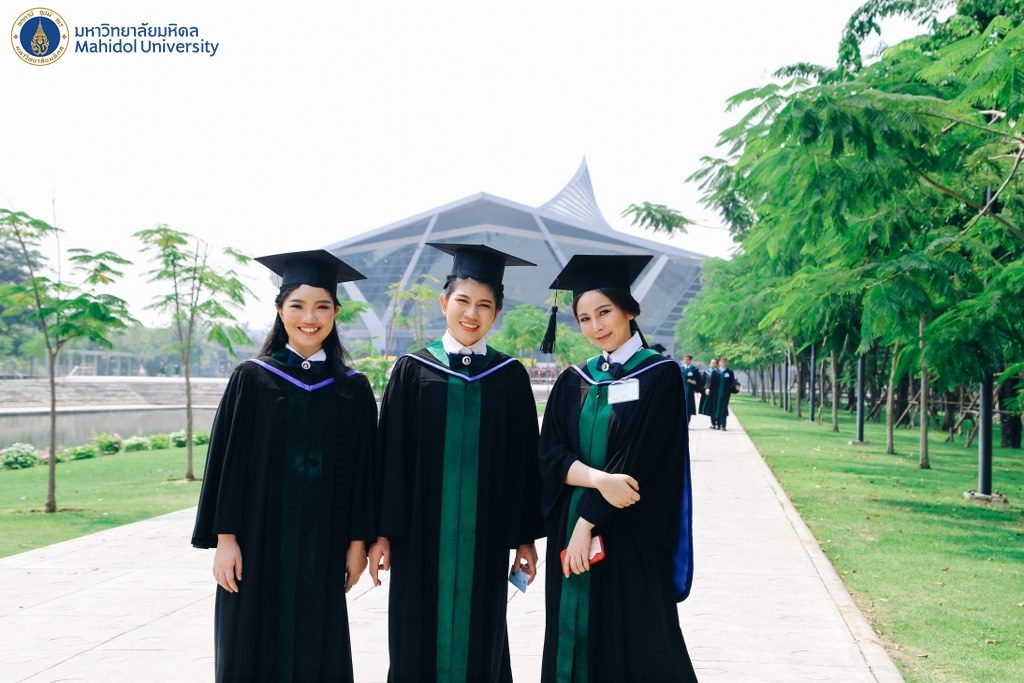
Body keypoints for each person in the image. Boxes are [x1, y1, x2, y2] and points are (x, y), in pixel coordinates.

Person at [191, 249, 378, 682]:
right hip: (256, 544)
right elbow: (227, 463)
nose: (309, 318)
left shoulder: (352, 389)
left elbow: (363, 473)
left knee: (316, 647)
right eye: (297, 306)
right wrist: (226, 539)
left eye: (322, 307)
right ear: (279, 310)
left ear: (335, 313)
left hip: (323, 546)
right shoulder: (253, 378)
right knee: (250, 647)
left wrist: (357, 542)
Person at [370, 243, 545, 682]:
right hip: (419, 538)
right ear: (443, 302)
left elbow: (524, 464)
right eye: (463, 301)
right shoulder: (412, 370)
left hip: (485, 538)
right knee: (415, 636)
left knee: (481, 637)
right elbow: (390, 458)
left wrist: (525, 538)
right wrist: (383, 533)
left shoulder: (509, 376)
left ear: (497, 312)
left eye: (484, 305)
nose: (471, 313)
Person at [537, 254, 697, 682]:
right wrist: (596, 480)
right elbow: (550, 455)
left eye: (604, 312)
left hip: (628, 533)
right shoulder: (574, 380)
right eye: (584, 318)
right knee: (572, 636)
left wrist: (586, 523)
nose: (596, 326)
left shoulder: (660, 376)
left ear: (629, 310)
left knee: (635, 644)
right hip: (571, 534)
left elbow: (639, 458)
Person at [715, 356, 741, 431]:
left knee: (724, 408)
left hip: (725, 394)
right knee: (717, 408)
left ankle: (723, 425)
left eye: (725, 361)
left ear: (726, 362)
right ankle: (718, 424)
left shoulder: (729, 372)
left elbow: (733, 382)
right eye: (722, 361)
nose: (723, 363)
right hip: (716, 394)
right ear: (719, 362)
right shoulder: (716, 371)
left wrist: (737, 386)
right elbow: (711, 382)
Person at [680, 354, 703, 425]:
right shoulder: (680, 368)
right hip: (680, 391)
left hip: (690, 391)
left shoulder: (694, 369)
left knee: (688, 407)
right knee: (681, 407)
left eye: (687, 359)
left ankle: (687, 422)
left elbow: (699, 380)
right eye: (685, 359)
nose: (686, 361)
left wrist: (694, 382)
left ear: (690, 360)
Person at [699, 357, 720, 428]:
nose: (712, 364)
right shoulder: (707, 372)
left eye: (714, 363)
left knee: (717, 407)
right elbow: (703, 382)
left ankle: (718, 423)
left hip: (717, 393)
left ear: (717, 364)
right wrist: (704, 389)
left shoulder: (719, 372)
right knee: (711, 408)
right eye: (711, 363)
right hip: (708, 393)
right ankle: (713, 423)